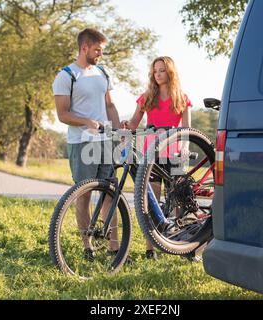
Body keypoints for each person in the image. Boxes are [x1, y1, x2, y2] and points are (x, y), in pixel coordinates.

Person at [52, 28, 121, 262]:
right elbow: (62, 114)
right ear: (85, 48)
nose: (100, 55)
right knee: (84, 194)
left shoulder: (102, 73)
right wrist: (86, 121)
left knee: (111, 194)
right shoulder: (66, 76)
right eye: (97, 50)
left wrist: (118, 131)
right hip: (82, 143)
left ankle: (114, 247)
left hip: (105, 141)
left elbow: (110, 106)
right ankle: (88, 246)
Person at [120, 56, 193, 261]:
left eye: (161, 70)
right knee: (151, 201)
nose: (158, 74)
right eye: (155, 71)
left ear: (170, 72)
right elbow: (135, 123)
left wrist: (185, 147)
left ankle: (183, 246)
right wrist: (126, 124)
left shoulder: (182, 98)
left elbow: (186, 128)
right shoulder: (146, 97)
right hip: (151, 154)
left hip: (174, 153)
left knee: (178, 199)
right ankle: (150, 249)